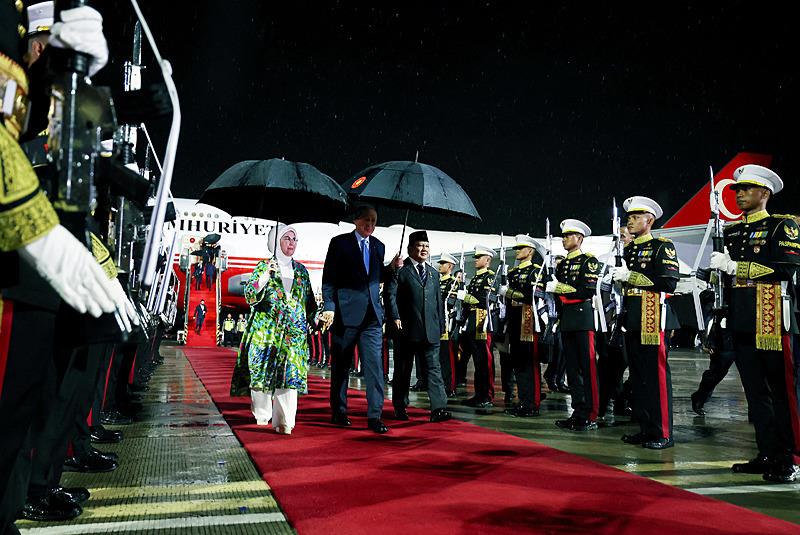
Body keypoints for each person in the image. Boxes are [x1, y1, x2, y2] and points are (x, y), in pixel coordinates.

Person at [708, 165, 800, 483]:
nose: (739, 193)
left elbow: (785, 268)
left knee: (782, 394)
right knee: (755, 394)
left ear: (765, 193)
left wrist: (736, 266)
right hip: (742, 321)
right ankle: (767, 452)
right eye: (736, 189)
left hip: (772, 320)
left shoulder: (781, 226)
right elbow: (725, 278)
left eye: (746, 188)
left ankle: (790, 457)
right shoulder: (732, 232)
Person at [230, 224, 316, 434]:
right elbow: (250, 295)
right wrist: (265, 276)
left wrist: (316, 318)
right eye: (287, 238)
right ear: (275, 242)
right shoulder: (264, 266)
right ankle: (262, 414)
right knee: (262, 374)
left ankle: (285, 422)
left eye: (294, 240)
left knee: (289, 376)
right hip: (266, 332)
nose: (292, 243)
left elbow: (310, 302)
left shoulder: (302, 271)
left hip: (293, 336)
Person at [319, 205, 399, 434]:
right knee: (341, 367)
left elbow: (374, 277)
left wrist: (391, 268)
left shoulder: (378, 246)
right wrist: (330, 307)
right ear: (356, 220)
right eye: (367, 220)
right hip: (345, 315)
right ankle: (339, 411)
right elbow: (329, 278)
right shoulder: (340, 243)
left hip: (372, 317)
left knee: (375, 368)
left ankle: (375, 416)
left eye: (374, 221)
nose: (371, 225)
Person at [612, 196, 680, 449]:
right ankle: (645, 427)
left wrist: (632, 276)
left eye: (635, 216)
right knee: (638, 376)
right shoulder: (627, 250)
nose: (630, 220)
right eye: (629, 216)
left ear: (649, 221)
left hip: (652, 316)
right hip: (632, 316)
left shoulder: (662, 247)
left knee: (656, 376)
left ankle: (662, 432)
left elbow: (668, 282)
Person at [385, 230, 452, 423]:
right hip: (406, 330)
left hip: (430, 331)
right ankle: (400, 406)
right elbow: (390, 295)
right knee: (403, 371)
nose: (424, 249)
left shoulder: (433, 273)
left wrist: (441, 325)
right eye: (420, 245)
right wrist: (394, 317)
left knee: (433, 369)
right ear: (410, 249)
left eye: (427, 246)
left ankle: (439, 407)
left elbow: (439, 301)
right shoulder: (400, 270)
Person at [549, 220, 601, 431]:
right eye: (563, 236)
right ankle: (578, 412)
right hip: (568, 320)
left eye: (569, 236)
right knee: (572, 369)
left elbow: (586, 291)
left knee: (587, 368)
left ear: (579, 239)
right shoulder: (562, 265)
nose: (564, 239)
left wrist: (560, 287)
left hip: (582, 318)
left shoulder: (588, 261)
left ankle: (591, 413)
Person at [500, 235, 546, 417]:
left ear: (530, 251)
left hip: (528, 321)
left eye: (521, 248)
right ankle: (523, 401)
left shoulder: (535, 271)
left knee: (529, 364)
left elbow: (531, 296)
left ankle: (532, 403)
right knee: (518, 364)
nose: (517, 251)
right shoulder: (512, 273)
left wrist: (509, 292)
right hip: (514, 322)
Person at [456, 245, 496, 408]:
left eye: (479, 257)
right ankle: (479, 394)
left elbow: (486, 299)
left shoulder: (490, 277)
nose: (476, 260)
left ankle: (487, 395)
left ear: (487, 260)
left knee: (484, 360)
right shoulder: (474, 278)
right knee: (477, 360)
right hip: (472, 321)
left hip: (483, 320)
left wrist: (467, 297)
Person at [437, 253, 460, 396]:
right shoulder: (438, 282)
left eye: (443, 263)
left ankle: (450, 386)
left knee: (448, 357)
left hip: (447, 322)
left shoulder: (453, 283)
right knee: (439, 357)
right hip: (437, 322)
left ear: (450, 266)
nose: (440, 266)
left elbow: (451, 302)